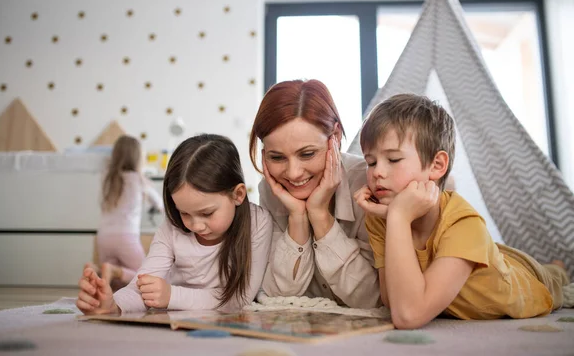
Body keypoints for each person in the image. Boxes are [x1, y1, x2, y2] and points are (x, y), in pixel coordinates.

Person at [354, 93, 570, 329]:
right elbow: (392, 302)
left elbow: (408, 315)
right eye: (371, 162)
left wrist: (398, 218)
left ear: (437, 166)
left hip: (525, 279)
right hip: (480, 252)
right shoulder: (381, 219)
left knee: (555, 279)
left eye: (393, 159)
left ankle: (556, 269)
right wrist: (397, 219)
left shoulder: (462, 224)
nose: (377, 173)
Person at [76, 134, 273, 314]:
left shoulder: (258, 223)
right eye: (184, 212)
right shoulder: (173, 226)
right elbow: (141, 286)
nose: (195, 225)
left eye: (207, 213)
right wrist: (113, 304)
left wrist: (171, 296)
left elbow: (240, 298)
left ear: (238, 195)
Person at [249, 79, 380, 308]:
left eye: (307, 154)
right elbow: (277, 296)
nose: (293, 173)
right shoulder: (272, 190)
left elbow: (372, 299)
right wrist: (297, 218)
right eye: (276, 157)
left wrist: (320, 215)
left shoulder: (368, 182)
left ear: (336, 136)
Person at [86, 135, 164, 289]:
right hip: (126, 238)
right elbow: (160, 204)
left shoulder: (107, 178)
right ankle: (110, 271)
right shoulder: (139, 180)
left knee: (113, 282)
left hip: (104, 237)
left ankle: (95, 271)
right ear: (137, 158)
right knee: (145, 275)